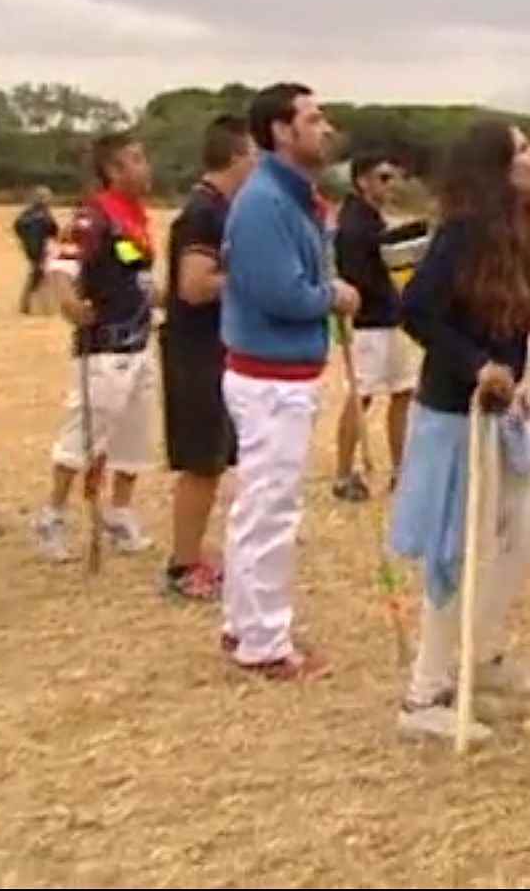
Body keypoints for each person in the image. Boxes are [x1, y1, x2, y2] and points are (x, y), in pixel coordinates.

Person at [389, 120, 530, 744]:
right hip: (458, 417)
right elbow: (419, 310)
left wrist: (519, 375)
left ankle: (479, 655)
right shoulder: (462, 232)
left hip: (505, 414)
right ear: (495, 167)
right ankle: (424, 692)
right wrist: (474, 365)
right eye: (522, 150)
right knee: (456, 554)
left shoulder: (518, 230)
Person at [218, 82, 360, 681]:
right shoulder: (266, 204)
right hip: (270, 379)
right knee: (272, 510)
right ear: (280, 130)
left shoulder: (294, 198)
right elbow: (279, 292)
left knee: (260, 506)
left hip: (281, 375)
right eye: (312, 118)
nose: (324, 128)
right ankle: (264, 642)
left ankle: (245, 623)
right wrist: (335, 296)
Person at [32, 132, 162, 561]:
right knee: (84, 435)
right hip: (104, 346)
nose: (146, 167)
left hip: (140, 342)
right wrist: (68, 301)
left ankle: (120, 512)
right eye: (136, 159)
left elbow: (136, 275)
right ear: (113, 170)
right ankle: (52, 515)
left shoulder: (137, 216)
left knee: (133, 438)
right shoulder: (94, 215)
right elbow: (63, 262)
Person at [157, 114, 257, 600]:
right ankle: (182, 565)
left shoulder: (223, 209)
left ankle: (195, 554)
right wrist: (255, 279)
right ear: (238, 156)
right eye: (256, 156)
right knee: (201, 461)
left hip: (216, 347)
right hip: (196, 351)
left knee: (216, 458)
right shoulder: (204, 212)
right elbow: (194, 286)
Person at [333, 152, 419, 502]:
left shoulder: (373, 220)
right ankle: (342, 473)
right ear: (362, 181)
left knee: (402, 392)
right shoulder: (353, 225)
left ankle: (400, 469)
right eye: (382, 178)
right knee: (361, 396)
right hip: (368, 324)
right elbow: (358, 277)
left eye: (391, 177)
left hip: (392, 319)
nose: (389, 185)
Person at [13, 186, 59, 315]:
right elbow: (54, 230)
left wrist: (23, 239)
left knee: (38, 274)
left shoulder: (28, 213)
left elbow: (17, 226)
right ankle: (27, 305)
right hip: (37, 248)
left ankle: (35, 304)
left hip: (32, 247)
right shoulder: (43, 214)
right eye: (47, 197)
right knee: (37, 274)